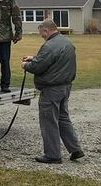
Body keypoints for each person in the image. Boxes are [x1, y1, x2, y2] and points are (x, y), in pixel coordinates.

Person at [21, 19, 85, 164]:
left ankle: (52, 155)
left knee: (49, 121)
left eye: (41, 34)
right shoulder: (66, 42)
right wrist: (34, 58)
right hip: (65, 86)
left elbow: (38, 67)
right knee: (63, 118)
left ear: (46, 30)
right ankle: (75, 149)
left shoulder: (49, 46)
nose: (41, 36)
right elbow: (53, 60)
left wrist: (26, 65)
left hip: (51, 89)